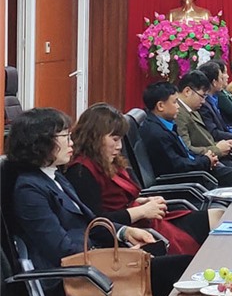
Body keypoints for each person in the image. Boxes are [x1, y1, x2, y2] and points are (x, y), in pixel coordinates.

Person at [7, 108, 191, 296]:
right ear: (40, 142)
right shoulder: (29, 190)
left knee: (175, 263)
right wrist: (114, 255)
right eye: (65, 136)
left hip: (91, 267)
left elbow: (90, 222)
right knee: (178, 269)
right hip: (73, 282)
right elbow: (61, 249)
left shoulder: (54, 177)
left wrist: (124, 233)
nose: (71, 143)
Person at [65, 103, 223, 256]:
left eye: (120, 140)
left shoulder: (107, 160)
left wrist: (142, 201)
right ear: (95, 137)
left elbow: (120, 200)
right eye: (114, 139)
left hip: (147, 219)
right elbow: (96, 223)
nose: (119, 146)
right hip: (134, 233)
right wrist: (141, 211)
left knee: (218, 215)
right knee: (200, 248)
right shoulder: (81, 171)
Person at [138, 81, 232, 187]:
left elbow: (185, 152)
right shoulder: (157, 134)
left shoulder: (166, 124)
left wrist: (207, 157)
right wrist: (206, 160)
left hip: (197, 167)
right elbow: (177, 166)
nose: (178, 106)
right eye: (175, 102)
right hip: (191, 179)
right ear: (160, 106)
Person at [174, 71, 232, 170]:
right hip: (205, 164)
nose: (203, 101)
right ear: (187, 91)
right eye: (202, 96)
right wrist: (217, 149)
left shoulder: (192, 109)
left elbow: (206, 138)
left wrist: (224, 144)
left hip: (215, 157)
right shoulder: (178, 113)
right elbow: (187, 149)